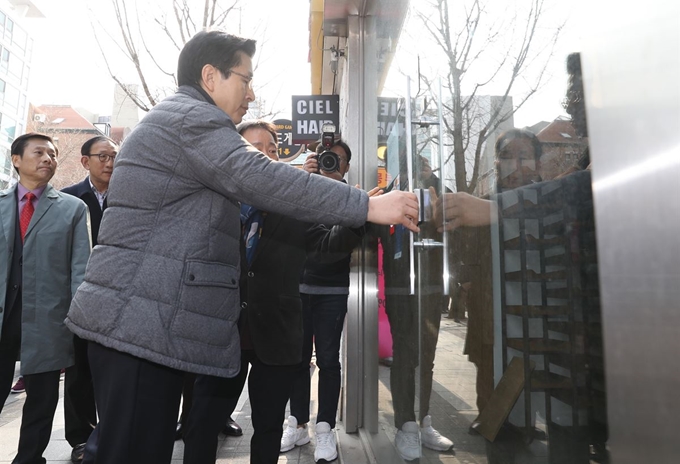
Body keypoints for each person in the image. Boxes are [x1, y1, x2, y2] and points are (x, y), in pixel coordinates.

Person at [65, 30, 418, 464]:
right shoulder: (191, 119)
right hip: (139, 323)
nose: (251, 94)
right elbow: (261, 177)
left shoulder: (180, 120)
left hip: (141, 322)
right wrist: (366, 204)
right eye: (244, 79)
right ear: (210, 76)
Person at [182, 121, 375, 464]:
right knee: (202, 425)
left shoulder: (292, 206)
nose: (265, 156)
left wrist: (359, 218)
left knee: (269, 427)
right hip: (221, 335)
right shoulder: (212, 203)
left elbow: (326, 246)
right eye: (253, 149)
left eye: (271, 150)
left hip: (277, 333)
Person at [0, 132, 91, 463]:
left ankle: (28, 459)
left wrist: (77, 321)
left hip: (48, 320)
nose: (48, 159)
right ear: (16, 160)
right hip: (4, 317)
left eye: (52, 154)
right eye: (38, 152)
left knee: (41, 400)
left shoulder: (73, 209)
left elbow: (81, 269)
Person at [282, 138, 364, 463]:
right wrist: (303, 178)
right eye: (326, 158)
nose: (332, 164)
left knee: (329, 360)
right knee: (297, 360)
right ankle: (297, 423)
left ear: (346, 168)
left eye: (338, 160)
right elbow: (293, 231)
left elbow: (337, 246)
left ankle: (326, 428)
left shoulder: (351, 198)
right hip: (299, 289)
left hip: (333, 292)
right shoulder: (304, 191)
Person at [60, 135, 118, 463]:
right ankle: (81, 437)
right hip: (80, 296)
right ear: (85, 161)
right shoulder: (68, 200)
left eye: (114, 157)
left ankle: (112, 431)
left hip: (119, 297)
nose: (110, 163)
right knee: (79, 370)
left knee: (114, 371)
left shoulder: (129, 198)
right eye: (102, 157)